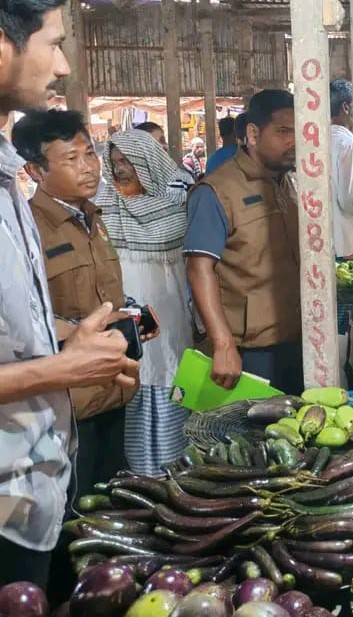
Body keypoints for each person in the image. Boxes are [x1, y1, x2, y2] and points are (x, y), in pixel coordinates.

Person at [0, 0, 138, 588]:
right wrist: (63, 367)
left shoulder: (8, 186)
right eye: (54, 44)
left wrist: (71, 337)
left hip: (35, 476)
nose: (62, 66)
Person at [15, 109, 143, 500]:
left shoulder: (92, 218)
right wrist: (77, 332)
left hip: (111, 390)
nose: (89, 167)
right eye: (71, 159)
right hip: (65, 403)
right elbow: (20, 319)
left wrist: (125, 318)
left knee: (111, 501)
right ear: (35, 171)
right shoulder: (26, 230)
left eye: (90, 153)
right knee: (71, 508)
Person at [185, 89, 303, 394]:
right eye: (283, 131)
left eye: (299, 130)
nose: (294, 141)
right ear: (252, 134)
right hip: (249, 350)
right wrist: (223, 343)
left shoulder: (289, 184)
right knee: (247, 425)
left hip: (296, 338)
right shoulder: (217, 191)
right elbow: (199, 269)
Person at [96, 128, 195, 476]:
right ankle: (139, 473)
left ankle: (174, 468)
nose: (121, 169)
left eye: (128, 161)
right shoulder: (102, 203)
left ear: (149, 160)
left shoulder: (177, 201)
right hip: (123, 310)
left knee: (169, 371)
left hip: (168, 307)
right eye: (115, 162)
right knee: (133, 373)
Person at [329, 78, 353, 259]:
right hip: (346, 243)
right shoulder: (347, 142)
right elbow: (348, 200)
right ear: (346, 107)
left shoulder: (316, 142)